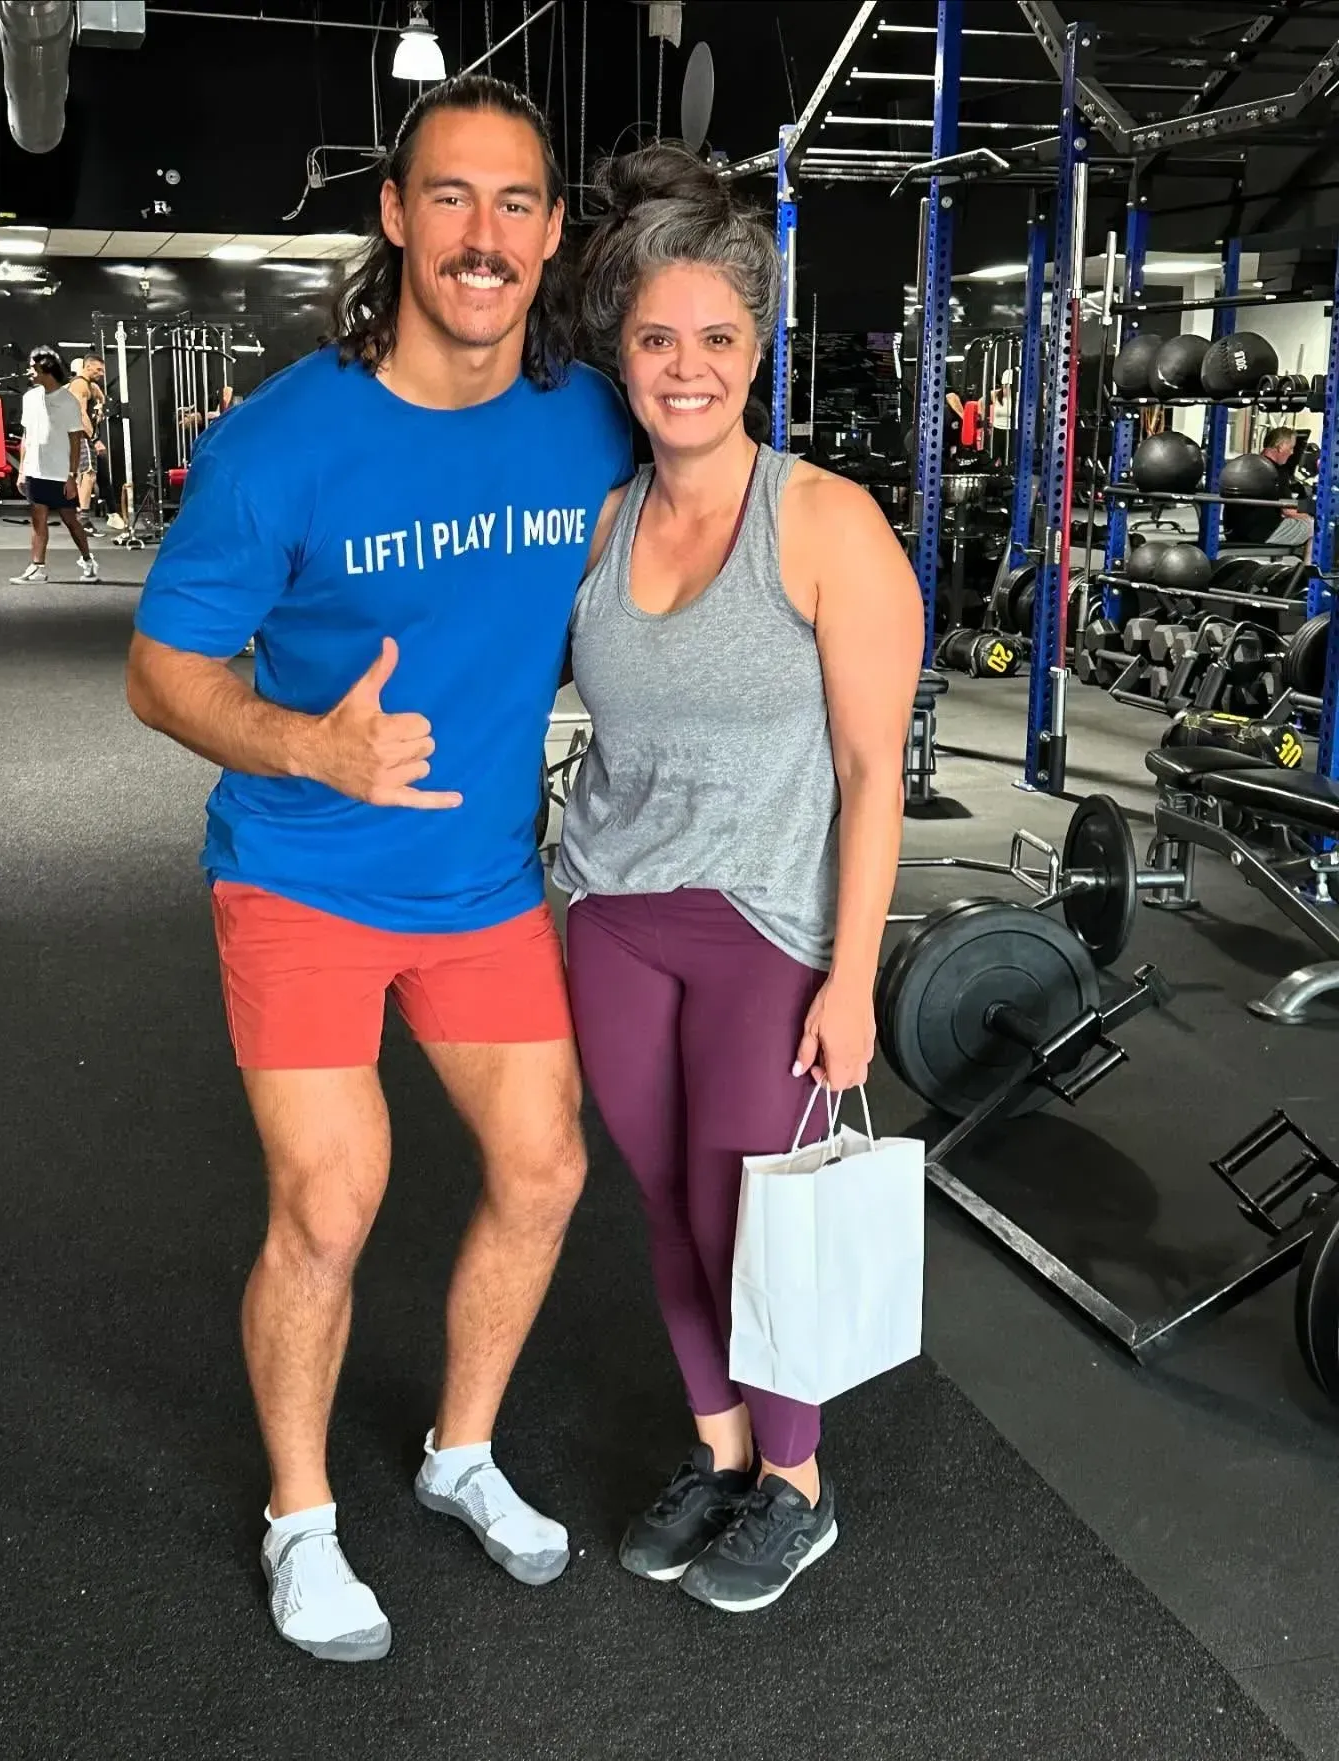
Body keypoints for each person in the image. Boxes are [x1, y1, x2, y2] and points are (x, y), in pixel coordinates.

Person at [124, 74, 630, 1665]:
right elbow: (160, 671)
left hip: (479, 883)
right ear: (397, 218)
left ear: (553, 234)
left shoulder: (590, 415)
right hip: (304, 872)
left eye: (517, 203)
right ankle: (298, 1516)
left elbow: (710, 522)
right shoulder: (282, 443)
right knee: (333, 1205)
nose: (484, 235)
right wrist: (304, 746)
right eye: (453, 198)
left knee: (544, 1170)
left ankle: (459, 1450)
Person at [555, 143, 924, 1615]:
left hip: (767, 926)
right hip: (610, 916)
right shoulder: (603, 520)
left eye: (716, 338)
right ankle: (716, 1453)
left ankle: (796, 1484)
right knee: (663, 1201)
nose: (686, 367)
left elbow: (873, 773)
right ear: (622, 355)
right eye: (657, 339)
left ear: (758, 350)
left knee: (743, 1212)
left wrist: (852, 974)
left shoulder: (824, 521)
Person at [11, 346, 100, 586]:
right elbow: (26, 437)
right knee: (37, 519)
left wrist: (72, 476)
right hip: (35, 471)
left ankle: (88, 561)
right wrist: (22, 470)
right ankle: (37, 567)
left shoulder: (67, 401)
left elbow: (76, 440)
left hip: (60, 473)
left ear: (46, 370)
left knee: (71, 521)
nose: (29, 372)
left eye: (33, 368)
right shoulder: (29, 398)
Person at [1222, 426, 1314, 558]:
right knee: (1317, 527)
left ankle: (1279, 567)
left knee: (1283, 520)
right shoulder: (1276, 472)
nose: (1292, 452)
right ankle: (1310, 575)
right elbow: (1288, 511)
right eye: (1291, 448)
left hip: (1233, 530)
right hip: (1261, 532)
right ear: (1281, 446)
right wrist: (1313, 514)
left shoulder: (1250, 463)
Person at [67, 353, 109, 530]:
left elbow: (101, 398)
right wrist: (95, 438)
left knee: (81, 476)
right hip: (80, 435)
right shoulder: (79, 385)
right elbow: (80, 414)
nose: (101, 373)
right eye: (98, 369)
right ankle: (83, 518)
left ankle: (79, 514)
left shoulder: (88, 385)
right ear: (87, 366)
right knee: (89, 473)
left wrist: (100, 405)